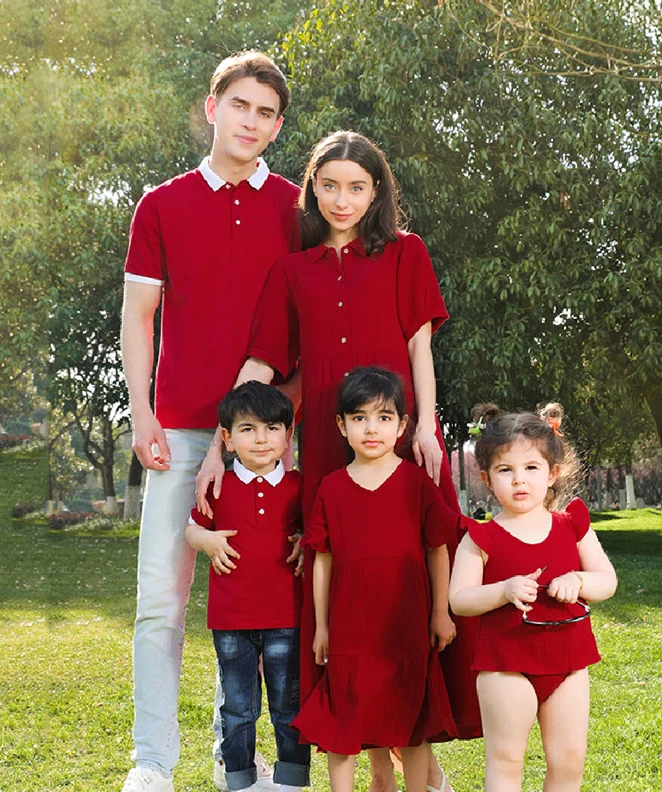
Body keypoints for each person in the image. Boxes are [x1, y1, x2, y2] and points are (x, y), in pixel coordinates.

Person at [195, 129, 482, 792]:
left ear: (376, 191)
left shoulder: (407, 252)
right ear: (313, 190)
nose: (342, 199)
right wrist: (217, 448)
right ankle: (371, 757)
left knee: (415, 582)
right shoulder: (292, 272)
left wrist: (427, 430)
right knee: (346, 593)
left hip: (401, 435)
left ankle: (421, 754)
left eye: (356, 186)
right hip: (331, 448)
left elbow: (419, 348)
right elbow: (262, 365)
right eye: (329, 185)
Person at [120, 50, 300, 792]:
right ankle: (152, 761)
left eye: (266, 113)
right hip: (179, 430)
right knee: (160, 603)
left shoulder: (296, 208)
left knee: (263, 604)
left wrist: (253, 431)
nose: (250, 122)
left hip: (265, 440)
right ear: (212, 108)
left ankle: (245, 757)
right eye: (239, 106)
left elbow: (298, 324)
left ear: (278, 127)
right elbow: (139, 315)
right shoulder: (161, 204)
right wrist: (142, 412)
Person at [291, 367, 461, 791]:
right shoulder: (331, 488)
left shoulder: (417, 483)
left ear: (402, 426)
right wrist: (322, 627)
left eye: (384, 418)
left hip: (407, 627)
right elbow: (322, 559)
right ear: (341, 425)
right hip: (351, 632)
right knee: (344, 720)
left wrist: (440, 613)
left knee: (413, 721)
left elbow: (438, 550)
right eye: (359, 418)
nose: (371, 429)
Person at [448, 402, 618, 792]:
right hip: (505, 665)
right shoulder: (480, 538)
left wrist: (578, 579)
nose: (519, 480)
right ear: (487, 479)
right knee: (507, 760)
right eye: (505, 470)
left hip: (568, 663)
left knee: (569, 760)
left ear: (552, 472)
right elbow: (460, 600)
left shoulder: (572, 526)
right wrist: (502, 590)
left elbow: (607, 581)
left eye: (531, 468)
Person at [186, 382, 310, 792]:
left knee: (288, 706)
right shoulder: (218, 485)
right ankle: (240, 780)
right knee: (238, 709)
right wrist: (206, 540)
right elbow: (192, 530)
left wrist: (303, 542)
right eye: (248, 429)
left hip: (286, 618)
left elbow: (313, 534)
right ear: (227, 438)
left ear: (287, 436)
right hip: (231, 620)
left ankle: (292, 782)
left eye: (272, 428)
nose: (261, 439)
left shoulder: (299, 487)